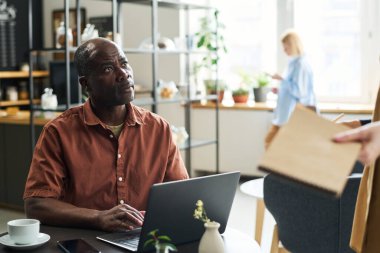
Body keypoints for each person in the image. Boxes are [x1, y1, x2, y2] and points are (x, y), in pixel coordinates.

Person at [23, 38, 189, 232]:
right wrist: (97, 218)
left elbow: (182, 194)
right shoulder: (58, 132)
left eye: (124, 63)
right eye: (108, 69)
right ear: (86, 84)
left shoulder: (159, 129)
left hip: (144, 238)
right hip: (85, 240)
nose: (123, 74)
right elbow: (36, 205)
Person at [265, 29, 317, 149]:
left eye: (286, 47)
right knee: (271, 144)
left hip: (293, 115)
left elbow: (300, 92)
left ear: (293, 45)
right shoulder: (292, 63)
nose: (284, 50)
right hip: (284, 115)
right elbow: (290, 85)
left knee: (272, 144)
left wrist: (282, 81)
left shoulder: (301, 64)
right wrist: (280, 88)